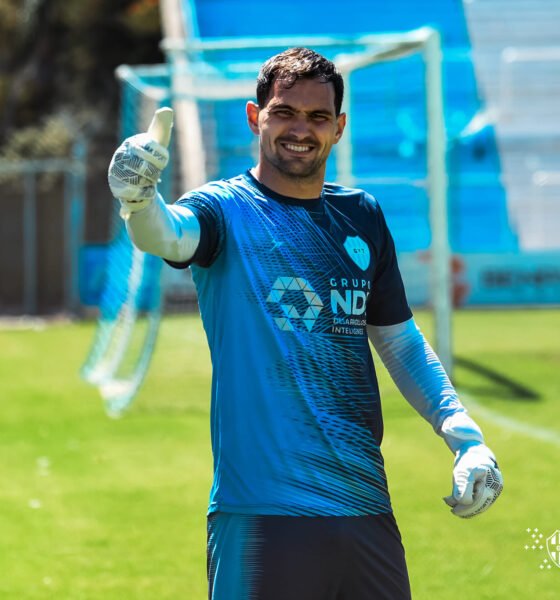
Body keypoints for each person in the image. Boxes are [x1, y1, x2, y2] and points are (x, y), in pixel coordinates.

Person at [108, 47, 503, 600]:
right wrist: (138, 200)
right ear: (255, 117)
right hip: (262, 516)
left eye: (318, 117)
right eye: (284, 112)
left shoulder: (361, 215)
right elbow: (168, 235)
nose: (301, 130)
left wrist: (465, 439)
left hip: (364, 507)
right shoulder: (224, 209)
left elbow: (399, 340)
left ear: (339, 127)